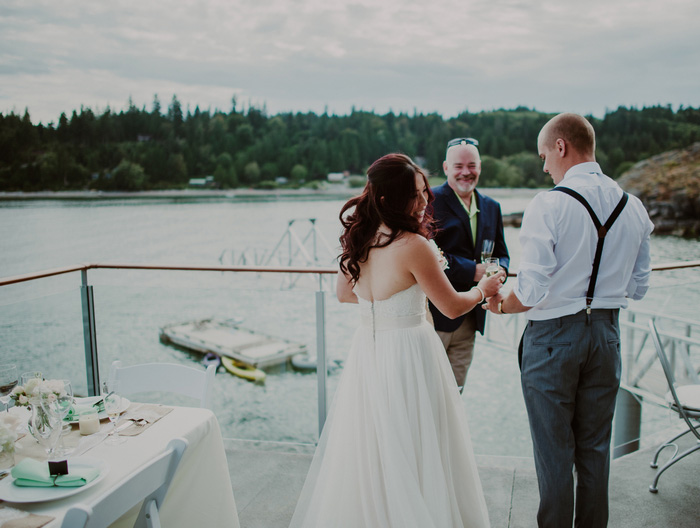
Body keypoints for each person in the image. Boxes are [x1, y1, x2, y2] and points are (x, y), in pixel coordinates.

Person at [289, 153, 504, 528]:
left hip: (369, 350)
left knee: (375, 444)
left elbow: (344, 294)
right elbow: (452, 307)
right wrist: (482, 290)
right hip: (410, 351)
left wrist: (385, 302)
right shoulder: (413, 245)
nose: (424, 202)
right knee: (419, 443)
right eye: (415, 195)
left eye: (424, 192)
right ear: (390, 198)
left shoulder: (360, 238)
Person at [485, 113, 654, 528]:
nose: (544, 167)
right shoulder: (633, 207)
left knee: (554, 452)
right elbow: (639, 287)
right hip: (607, 335)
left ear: (561, 146)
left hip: (553, 341)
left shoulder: (550, 203)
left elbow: (532, 289)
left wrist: (500, 304)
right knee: (595, 449)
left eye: (544, 155)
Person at [429, 138, 509, 390]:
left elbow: (502, 252)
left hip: (471, 320)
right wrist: (471, 270)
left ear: (480, 167)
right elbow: (426, 253)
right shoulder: (429, 201)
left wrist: (501, 271)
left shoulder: (492, 206)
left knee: (455, 394)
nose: (466, 172)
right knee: (426, 392)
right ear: (445, 168)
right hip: (434, 315)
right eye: (458, 166)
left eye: (472, 165)